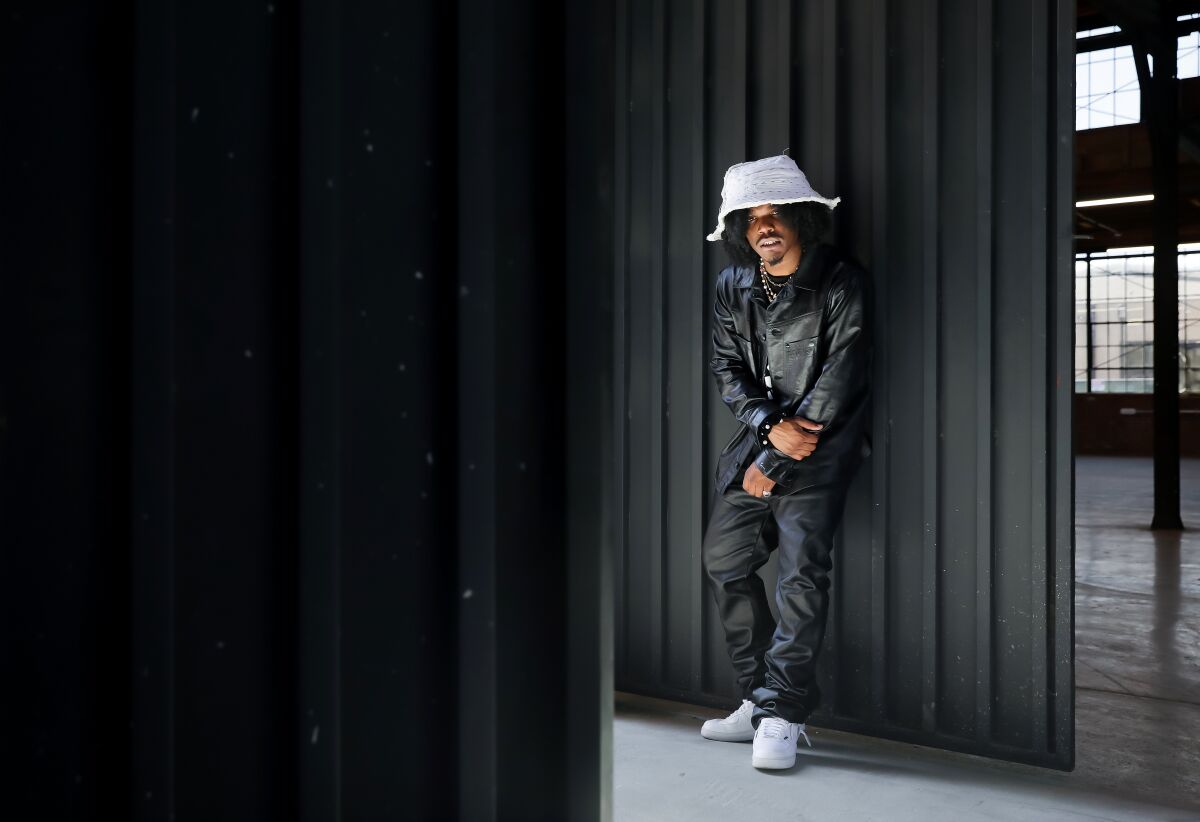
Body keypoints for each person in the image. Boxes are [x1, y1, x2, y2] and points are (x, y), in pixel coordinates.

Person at [698, 154, 872, 770]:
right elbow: (726, 369)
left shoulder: (842, 281)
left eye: (775, 214)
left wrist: (784, 446)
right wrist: (767, 430)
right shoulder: (732, 287)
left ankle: (784, 711)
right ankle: (758, 696)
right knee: (724, 560)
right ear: (742, 230)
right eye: (751, 218)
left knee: (800, 574)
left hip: (822, 450)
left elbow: (838, 375)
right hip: (763, 441)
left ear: (799, 219)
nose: (764, 226)